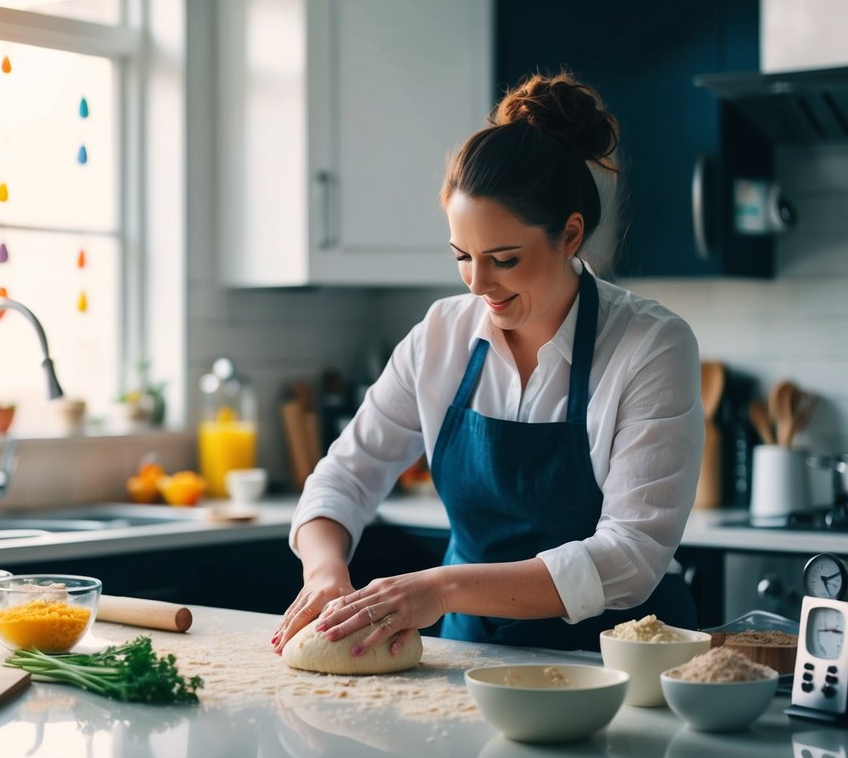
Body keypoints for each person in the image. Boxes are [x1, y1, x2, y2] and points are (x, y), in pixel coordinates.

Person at [272, 71, 704, 658]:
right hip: (471, 657)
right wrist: (325, 571)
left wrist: (442, 587)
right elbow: (344, 477)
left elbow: (629, 557)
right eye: (462, 257)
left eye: (503, 259)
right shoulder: (441, 335)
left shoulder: (649, 346)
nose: (478, 284)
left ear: (570, 234)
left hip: (614, 665)